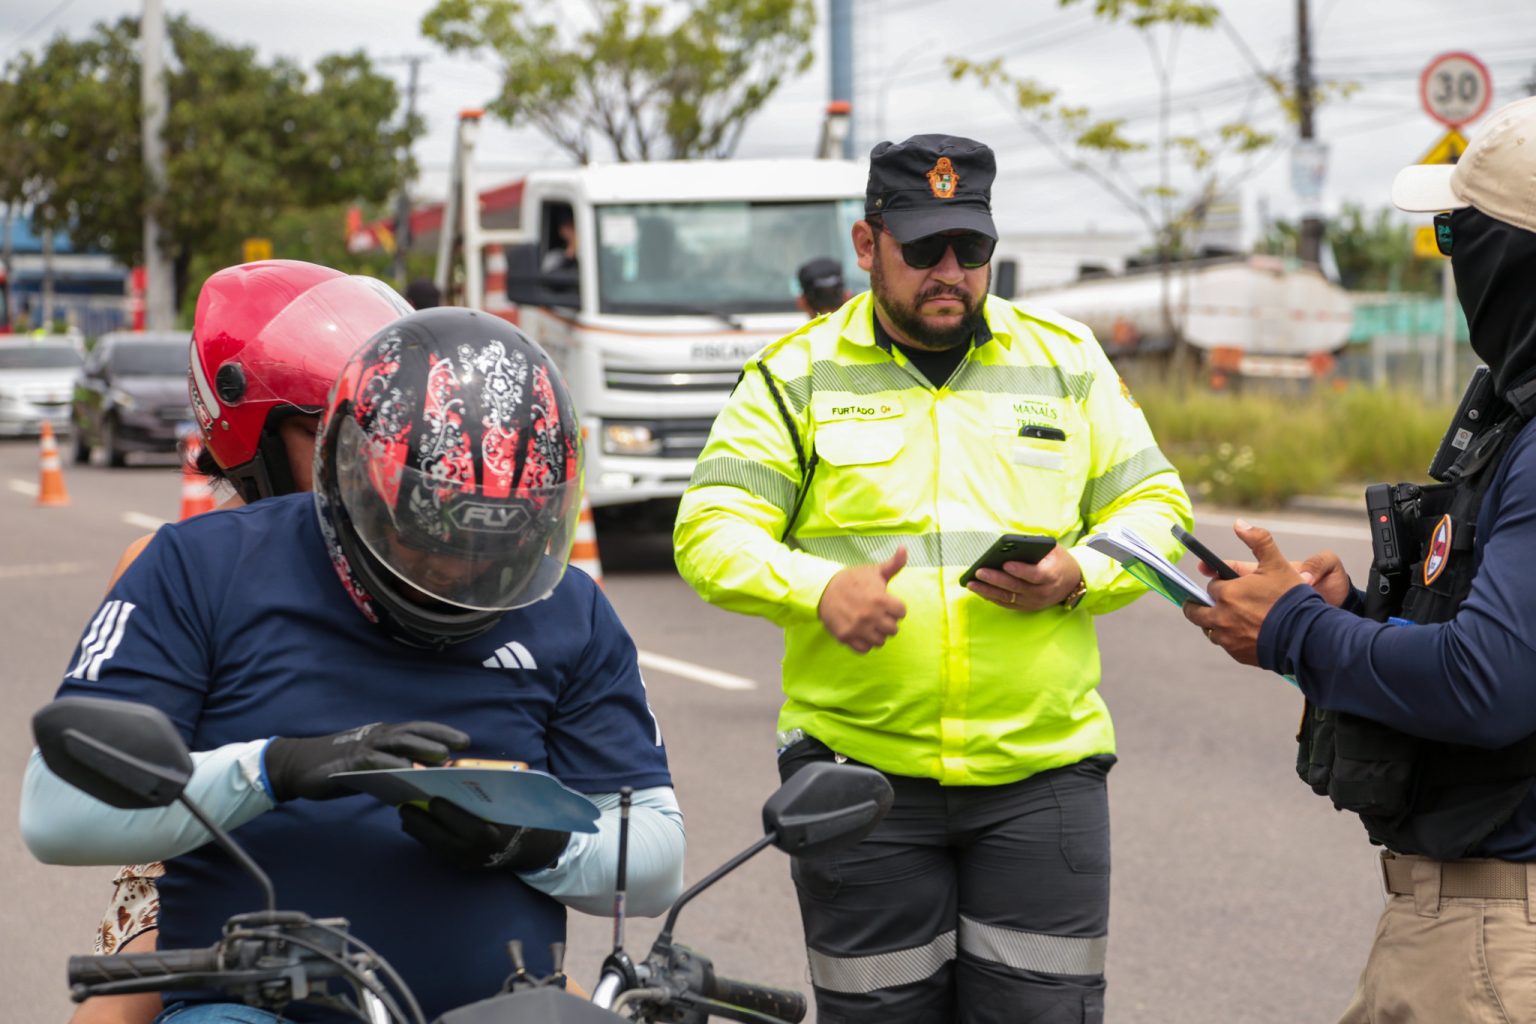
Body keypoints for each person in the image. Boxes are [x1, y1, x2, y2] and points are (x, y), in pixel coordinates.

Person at [24, 308, 685, 1022]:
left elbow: (654, 855)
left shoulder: (572, 611)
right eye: (429, 536)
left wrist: (539, 845)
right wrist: (275, 770)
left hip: (498, 1009)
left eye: (497, 548)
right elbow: (57, 813)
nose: (460, 572)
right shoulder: (199, 569)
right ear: (352, 481)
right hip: (253, 1009)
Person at [673, 133, 1192, 1023]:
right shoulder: (794, 376)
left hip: (1042, 779)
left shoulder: (1065, 360)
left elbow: (1155, 503)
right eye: (923, 249)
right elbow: (710, 528)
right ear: (866, 244)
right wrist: (817, 590)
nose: (950, 270)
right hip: (859, 782)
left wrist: (1078, 572)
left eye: (972, 248)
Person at [1184, 95, 1536, 1024]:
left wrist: (1294, 629)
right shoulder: (1515, 418)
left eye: (1456, 234)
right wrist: (1359, 618)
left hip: (1496, 936)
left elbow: (1487, 684)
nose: (1449, 260)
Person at [78, 260, 420, 1024]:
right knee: (122, 996)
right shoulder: (176, 569)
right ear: (253, 429)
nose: (371, 461)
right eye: (328, 431)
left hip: (416, 869)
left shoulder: (441, 568)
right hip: (217, 879)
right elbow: (107, 775)